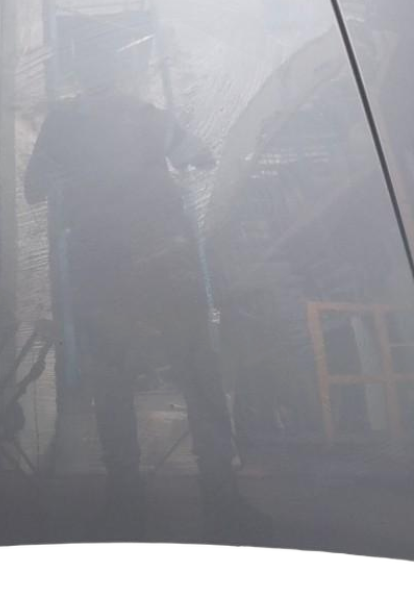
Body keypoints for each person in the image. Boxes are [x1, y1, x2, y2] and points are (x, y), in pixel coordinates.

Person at [23, 47, 258, 536]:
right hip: (164, 262)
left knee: (111, 384)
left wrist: (77, 170)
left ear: (81, 77)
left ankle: (125, 504)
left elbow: (34, 188)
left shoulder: (63, 121)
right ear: (125, 75)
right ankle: (222, 498)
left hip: (102, 267)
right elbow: (202, 157)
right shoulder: (148, 115)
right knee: (198, 375)